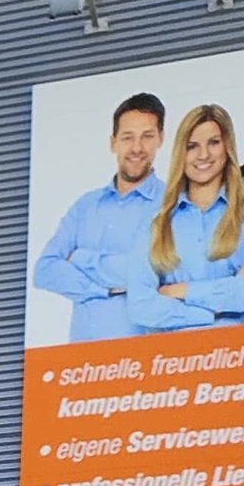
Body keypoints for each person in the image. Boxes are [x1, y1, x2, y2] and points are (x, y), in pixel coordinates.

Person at [118, 103, 244, 330]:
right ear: (181, 154)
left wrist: (179, 291)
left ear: (227, 147)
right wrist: (213, 309)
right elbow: (141, 306)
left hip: (242, 354)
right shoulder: (156, 220)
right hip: (177, 359)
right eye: (192, 146)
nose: (203, 155)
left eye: (213, 143)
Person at [32, 91, 166, 339]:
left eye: (147, 136)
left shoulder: (172, 203)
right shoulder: (85, 206)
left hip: (145, 361)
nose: (137, 148)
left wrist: (82, 259)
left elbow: (160, 274)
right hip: (83, 366)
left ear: (160, 138)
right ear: (112, 142)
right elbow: (45, 270)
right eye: (127, 137)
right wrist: (101, 290)